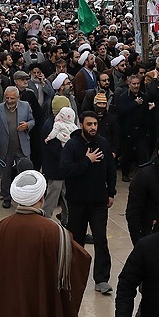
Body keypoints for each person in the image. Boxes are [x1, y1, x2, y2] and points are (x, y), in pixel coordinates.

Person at [0, 169, 92, 317]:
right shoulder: (54, 232)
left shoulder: (1, 228)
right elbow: (79, 265)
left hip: (10, 310)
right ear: (41, 197)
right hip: (43, 308)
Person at [60, 110, 117, 295]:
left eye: (95, 124)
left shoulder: (103, 143)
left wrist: (111, 192)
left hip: (99, 201)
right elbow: (66, 169)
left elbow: (110, 169)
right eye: (89, 124)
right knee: (76, 240)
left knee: (100, 239)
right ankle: (74, 275)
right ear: (81, 125)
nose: (93, 127)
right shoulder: (72, 145)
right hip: (77, 201)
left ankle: (101, 279)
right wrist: (87, 160)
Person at [0, 86, 35, 209]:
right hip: (5, 148)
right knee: (5, 174)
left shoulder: (25, 106)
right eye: (7, 98)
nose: (9, 101)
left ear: (18, 97)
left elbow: (32, 121)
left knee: (25, 174)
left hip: (22, 147)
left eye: (12, 98)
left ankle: (24, 198)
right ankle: (6, 197)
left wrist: (27, 125)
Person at [41, 98, 74, 222]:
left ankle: (68, 221)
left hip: (61, 168)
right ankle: (44, 221)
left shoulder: (58, 122)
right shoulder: (52, 126)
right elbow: (55, 150)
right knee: (52, 198)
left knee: (67, 196)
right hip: (55, 169)